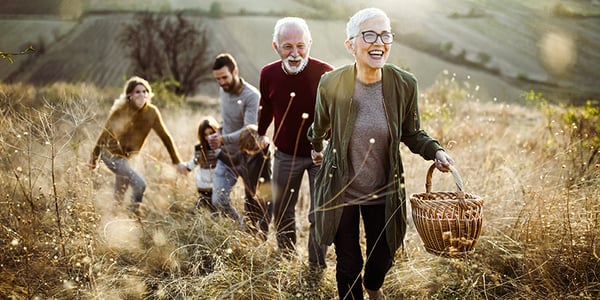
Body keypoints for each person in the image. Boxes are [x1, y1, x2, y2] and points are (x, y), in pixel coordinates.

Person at [307, 8, 455, 300]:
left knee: (383, 257)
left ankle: (373, 286)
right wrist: (317, 148)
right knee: (349, 264)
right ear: (351, 45)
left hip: (383, 190)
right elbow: (318, 127)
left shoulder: (404, 84)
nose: (379, 42)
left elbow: (412, 133)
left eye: (385, 34)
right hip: (342, 189)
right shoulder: (331, 83)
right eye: (369, 35)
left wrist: (435, 151)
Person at [257, 17, 334, 269]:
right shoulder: (268, 74)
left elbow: (336, 115)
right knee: (281, 210)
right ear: (275, 46)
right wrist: (260, 133)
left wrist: (326, 147)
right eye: (287, 46)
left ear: (310, 43)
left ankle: (316, 266)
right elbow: (266, 107)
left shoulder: (325, 73)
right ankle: (287, 257)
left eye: (300, 45)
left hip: (319, 155)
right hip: (285, 154)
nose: (294, 53)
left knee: (319, 213)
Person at [89, 76, 188, 216]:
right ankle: (133, 214)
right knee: (140, 184)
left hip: (127, 158)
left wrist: (176, 161)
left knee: (120, 191)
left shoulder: (152, 113)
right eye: (137, 92)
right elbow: (103, 136)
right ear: (129, 95)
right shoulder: (120, 112)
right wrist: (93, 158)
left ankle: (114, 217)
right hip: (111, 156)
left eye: (145, 91)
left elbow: (165, 137)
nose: (142, 95)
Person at [209, 53, 272, 236]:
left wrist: (223, 139)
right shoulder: (223, 90)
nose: (221, 82)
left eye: (224, 77)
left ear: (235, 71)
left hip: (247, 156)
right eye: (217, 79)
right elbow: (228, 119)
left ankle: (256, 234)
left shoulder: (252, 96)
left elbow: (249, 130)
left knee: (254, 201)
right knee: (219, 200)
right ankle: (242, 226)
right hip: (226, 156)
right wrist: (219, 131)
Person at [184, 116, 220, 214]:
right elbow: (195, 161)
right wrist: (187, 168)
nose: (209, 137)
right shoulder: (199, 148)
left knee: (216, 206)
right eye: (205, 135)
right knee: (203, 202)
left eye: (211, 133)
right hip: (203, 182)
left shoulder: (220, 147)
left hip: (216, 182)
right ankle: (193, 214)